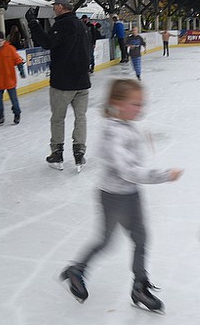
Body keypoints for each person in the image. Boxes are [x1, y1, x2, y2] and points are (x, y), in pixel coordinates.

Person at [58, 79, 183, 312]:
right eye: (135, 104)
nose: (140, 109)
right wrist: (164, 175)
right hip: (114, 196)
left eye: (141, 104)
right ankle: (77, 270)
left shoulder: (124, 125)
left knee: (140, 239)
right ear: (117, 103)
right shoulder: (113, 132)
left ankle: (139, 286)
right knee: (106, 241)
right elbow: (128, 171)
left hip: (130, 194)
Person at [25, 0, 92, 171]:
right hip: (82, 82)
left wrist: (33, 22)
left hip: (63, 83)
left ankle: (57, 153)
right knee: (81, 118)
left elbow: (47, 42)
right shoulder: (81, 25)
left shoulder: (62, 24)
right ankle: (79, 153)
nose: (53, 8)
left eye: (55, 5)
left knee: (57, 119)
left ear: (61, 7)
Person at [0, 31, 26, 126]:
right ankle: (0, 116)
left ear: (4, 40)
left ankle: (17, 114)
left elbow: (18, 60)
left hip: (9, 79)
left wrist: (21, 69)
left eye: (0, 41)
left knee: (14, 100)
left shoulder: (10, 49)